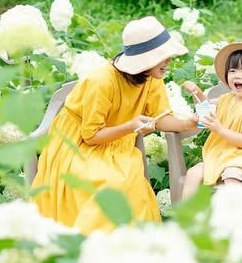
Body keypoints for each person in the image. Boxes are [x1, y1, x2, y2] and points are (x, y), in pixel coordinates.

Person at [33, 16, 200, 234]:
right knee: (106, 182)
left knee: (129, 178)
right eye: (162, 56)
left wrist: (187, 123)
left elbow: (160, 119)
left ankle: (128, 247)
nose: (169, 60)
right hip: (78, 145)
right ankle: (93, 243)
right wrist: (130, 126)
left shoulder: (152, 79)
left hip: (117, 144)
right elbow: (90, 136)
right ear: (145, 60)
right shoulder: (102, 81)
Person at [180, 42, 242, 201]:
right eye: (232, 71)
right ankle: (186, 218)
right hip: (223, 153)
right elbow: (206, 106)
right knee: (193, 173)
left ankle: (235, 216)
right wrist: (196, 91)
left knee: (231, 177)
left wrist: (219, 129)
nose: (237, 75)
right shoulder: (227, 99)